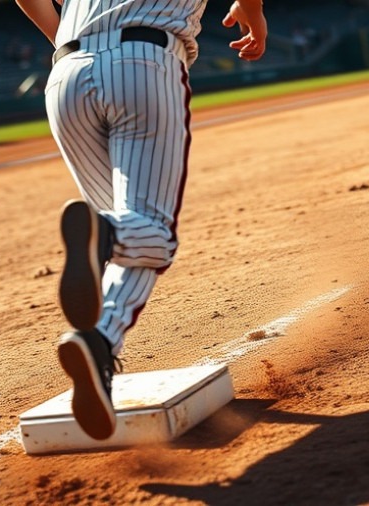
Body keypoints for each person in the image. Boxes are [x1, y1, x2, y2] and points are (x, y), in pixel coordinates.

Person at [15, 0, 268, 440]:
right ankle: (105, 235)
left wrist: (65, 37)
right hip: (142, 64)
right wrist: (255, 16)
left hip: (65, 76)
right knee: (149, 231)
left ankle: (98, 343)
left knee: (128, 236)